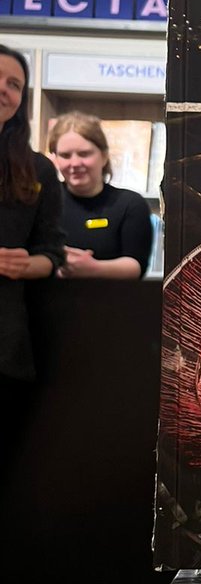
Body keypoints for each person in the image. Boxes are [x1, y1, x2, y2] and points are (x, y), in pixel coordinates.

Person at [0, 44, 65, 403]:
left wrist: (26, 265)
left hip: (5, 350)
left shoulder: (37, 170)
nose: (4, 90)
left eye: (14, 84)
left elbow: (51, 252)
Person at [49, 112, 153, 278]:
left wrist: (93, 268)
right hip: (47, 301)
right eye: (65, 155)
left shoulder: (130, 204)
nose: (74, 163)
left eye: (84, 154)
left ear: (104, 156)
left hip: (109, 301)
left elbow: (137, 265)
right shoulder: (45, 201)